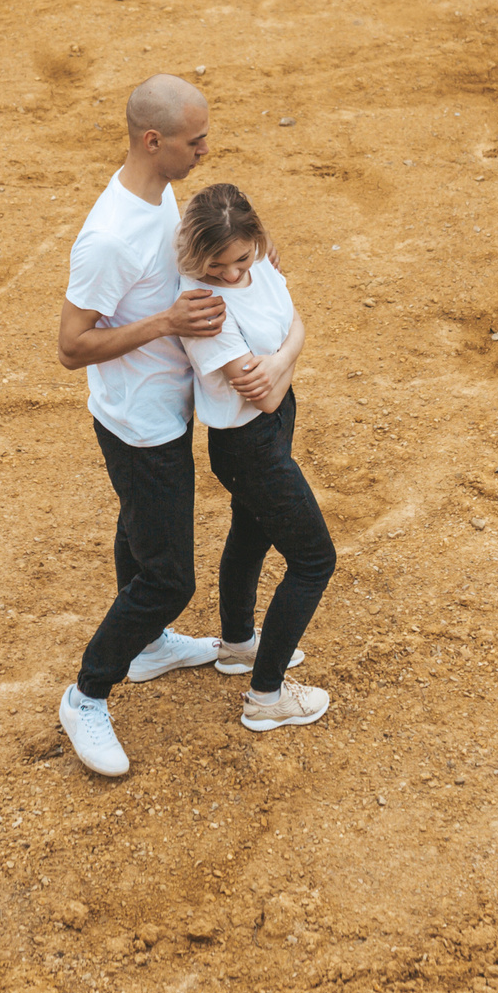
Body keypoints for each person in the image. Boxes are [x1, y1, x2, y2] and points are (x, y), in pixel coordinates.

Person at [52, 76, 282, 777]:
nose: (205, 150)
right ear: (154, 141)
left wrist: (247, 262)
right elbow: (70, 346)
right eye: (195, 140)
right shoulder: (108, 237)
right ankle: (87, 695)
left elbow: (183, 265)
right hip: (138, 426)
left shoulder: (160, 196)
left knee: (139, 532)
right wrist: (166, 323)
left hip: (160, 410)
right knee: (170, 577)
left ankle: (149, 645)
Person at [174, 182, 331, 733]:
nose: (229, 273)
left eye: (239, 258)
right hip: (249, 445)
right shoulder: (204, 306)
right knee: (314, 560)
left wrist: (281, 358)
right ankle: (266, 697)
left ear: (255, 238)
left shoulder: (258, 260)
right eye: (214, 264)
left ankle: (239, 644)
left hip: (274, 426)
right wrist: (288, 355)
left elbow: (297, 325)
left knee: (250, 534)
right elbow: (261, 396)